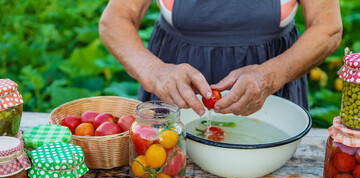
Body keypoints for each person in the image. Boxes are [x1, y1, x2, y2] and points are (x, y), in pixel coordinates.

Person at [99, 0, 342, 116]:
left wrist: (270, 76)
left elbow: (327, 27)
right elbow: (115, 20)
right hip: (175, 89)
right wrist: (155, 73)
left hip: (272, 91)